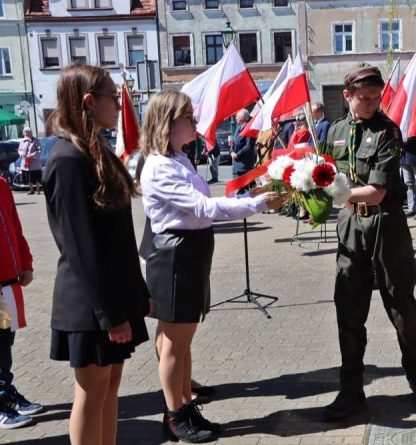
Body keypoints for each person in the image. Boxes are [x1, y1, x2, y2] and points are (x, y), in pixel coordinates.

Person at [137, 90, 285, 442]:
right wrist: (258, 203)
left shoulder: (178, 159)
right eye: (188, 117)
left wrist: (252, 196)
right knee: (174, 342)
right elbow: (204, 208)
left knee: (182, 341)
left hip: (188, 252)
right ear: (170, 122)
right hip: (175, 256)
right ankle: (175, 415)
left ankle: (185, 405)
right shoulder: (159, 166)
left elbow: (206, 204)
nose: (195, 123)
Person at [320, 63, 416, 420]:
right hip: (351, 228)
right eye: (363, 98)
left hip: (386, 227)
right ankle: (351, 391)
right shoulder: (335, 131)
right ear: (348, 96)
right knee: (348, 311)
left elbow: (378, 190)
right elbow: (322, 173)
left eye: (375, 97)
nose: (371, 103)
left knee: (401, 306)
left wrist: (332, 195)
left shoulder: (388, 131)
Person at [43, 64, 151, 445]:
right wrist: (109, 314)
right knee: (91, 395)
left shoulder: (94, 152)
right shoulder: (67, 161)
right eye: (112, 98)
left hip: (113, 300)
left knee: (109, 390)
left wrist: (137, 295)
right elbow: (80, 249)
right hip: (90, 306)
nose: (120, 106)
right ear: (89, 102)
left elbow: (120, 239)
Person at [0, 176, 42, 429]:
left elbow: (15, 226)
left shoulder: (3, 184)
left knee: (5, 339)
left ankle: (5, 390)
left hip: (6, 284)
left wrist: (25, 263)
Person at [231, 109, 257, 193]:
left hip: (245, 164)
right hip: (237, 164)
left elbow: (249, 146)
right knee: (241, 187)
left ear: (242, 117)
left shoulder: (249, 128)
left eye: (237, 116)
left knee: (244, 188)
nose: (235, 118)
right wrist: (231, 151)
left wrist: (237, 154)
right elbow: (233, 142)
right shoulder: (238, 128)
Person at [17, 128, 42, 195]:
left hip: (34, 163)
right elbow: (19, 150)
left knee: (36, 177)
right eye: (26, 132)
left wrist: (31, 155)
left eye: (28, 132)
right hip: (25, 162)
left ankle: (38, 189)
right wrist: (22, 154)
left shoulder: (35, 140)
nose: (27, 133)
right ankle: (31, 190)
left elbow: (39, 151)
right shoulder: (22, 141)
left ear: (31, 133)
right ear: (24, 133)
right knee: (29, 177)